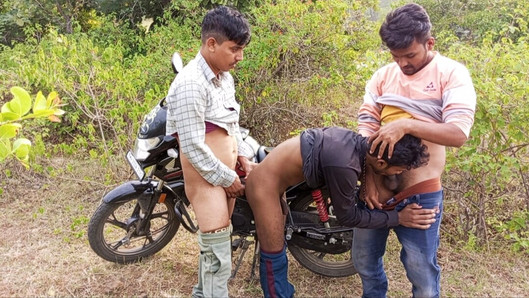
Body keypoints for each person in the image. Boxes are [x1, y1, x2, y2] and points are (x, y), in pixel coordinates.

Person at [353, 3, 477, 298]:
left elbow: (458, 134)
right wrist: (369, 178)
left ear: (429, 43)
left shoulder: (452, 73)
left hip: (421, 192)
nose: (403, 64)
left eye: (410, 55)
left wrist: (407, 125)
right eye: (396, 56)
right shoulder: (383, 76)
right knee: (364, 262)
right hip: (377, 190)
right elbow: (365, 130)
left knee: (421, 270)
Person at [245, 127, 438, 298]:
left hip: (279, 182)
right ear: (380, 163)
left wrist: (369, 181)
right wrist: (398, 218)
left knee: (280, 240)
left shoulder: (359, 147)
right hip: (265, 186)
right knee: (274, 251)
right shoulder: (344, 165)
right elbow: (348, 216)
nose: (395, 175)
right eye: (396, 171)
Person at [165, 6, 255, 297]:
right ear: (211, 44)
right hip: (206, 179)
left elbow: (232, 123)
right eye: (235, 49)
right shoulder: (191, 83)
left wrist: (241, 156)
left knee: (215, 248)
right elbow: (191, 146)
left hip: (225, 174)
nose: (239, 57)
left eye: (242, 49)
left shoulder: (223, 77)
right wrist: (227, 177)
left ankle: (201, 294)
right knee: (218, 255)